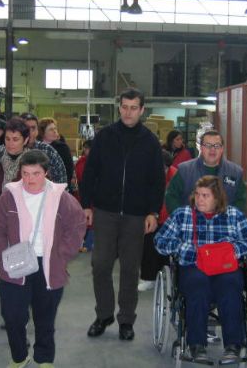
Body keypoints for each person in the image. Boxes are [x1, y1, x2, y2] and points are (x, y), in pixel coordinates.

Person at [80, 88, 165, 341]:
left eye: (133, 107)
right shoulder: (105, 137)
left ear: (141, 110)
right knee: (100, 265)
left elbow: (157, 182)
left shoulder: (150, 142)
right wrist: (86, 205)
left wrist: (152, 212)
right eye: (124, 107)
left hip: (135, 216)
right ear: (119, 108)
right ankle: (104, 314)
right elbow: (90, 173)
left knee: (130, 269)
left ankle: (126, 320)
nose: (128, 112)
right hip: (105, 212)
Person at [0, 150, 86, 368]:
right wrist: (4, 253)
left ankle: (44, 358)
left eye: (36, 173)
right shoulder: (9, 196)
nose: (30, 179)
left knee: (45, 318)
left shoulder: (60, 197)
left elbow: (77, 225)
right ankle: (19, 356)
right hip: (16, 263)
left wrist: (62, 253)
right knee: (12, 316)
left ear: (46, 173)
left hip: (49, 266)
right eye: (25, 173)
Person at [155, 175, 247, 365]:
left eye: (205, 195)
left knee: (231, 286)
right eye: (197, 194)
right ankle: (196, 345)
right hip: (194, 265)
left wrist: (231, 251)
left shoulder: (234, 216)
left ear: (217, 198)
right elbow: (160, 241)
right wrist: (185, 249)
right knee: (197, 284)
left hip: (224, 267)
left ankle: (234, 345)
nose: (199, 199)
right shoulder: (182, 215)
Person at [165, 130, 245, 214]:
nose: (212, 149)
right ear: (201, 148)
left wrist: (227, 219)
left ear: (222, 149)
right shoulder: (184, 171)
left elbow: (240, 201)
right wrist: (183, 218)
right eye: (208, 145)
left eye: (217, 146)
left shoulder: (235, 172)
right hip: (191, 225)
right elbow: (171, 197)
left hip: (223, 225)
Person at [137, 149, 176, 291]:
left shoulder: (175, 175)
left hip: (169, 219)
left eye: (166, 168)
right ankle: (148, 277)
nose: (163, 171)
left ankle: (168, 274)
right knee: (148, 246)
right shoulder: (145, 175)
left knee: (168, 247)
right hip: (150, 217)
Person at [19, 112, 67, 185]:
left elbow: (61, 180)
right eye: (26, 128)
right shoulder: (11, 151)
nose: (30, 132)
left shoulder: (48, 150)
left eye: (33, 128)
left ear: (37, 131)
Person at [38, 117, 75, 193]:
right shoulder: (37, 147)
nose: (55, 131)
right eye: (51, 129)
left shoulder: (62, 147)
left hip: (59, 188)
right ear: (42, 132)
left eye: (55, 129)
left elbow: (69, 169)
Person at [74, 139, 93, 251]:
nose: (86, 150)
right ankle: (85, 243)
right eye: (85, 148)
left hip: (87, 196)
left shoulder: (84, 162)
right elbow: (80, 177)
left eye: (88, 148)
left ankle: (86, 243)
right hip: (83, 195)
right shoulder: (82, 162)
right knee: (86, 221)